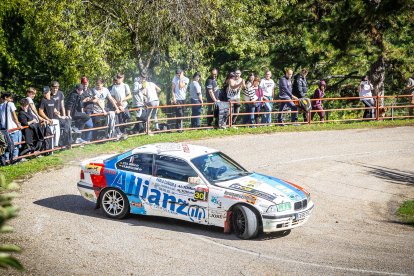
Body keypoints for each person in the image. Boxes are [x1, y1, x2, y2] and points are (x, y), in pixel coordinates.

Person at [0, 92, 22, 162]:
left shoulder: (0, 106)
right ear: (6, 98)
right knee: (15, 146)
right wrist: (18, 125)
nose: (12, 100)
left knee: (6, 146)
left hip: (4, 130)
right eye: (10, 98)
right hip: (13, 128)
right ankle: (14, 161)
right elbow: (14, 116)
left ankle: (6, 161)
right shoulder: (10, 104)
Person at [80, 76, 94, 141]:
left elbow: (96, 99)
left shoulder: (90, 90)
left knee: (90, 125)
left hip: (91, 110)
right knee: (88, 125)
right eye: (83, 83)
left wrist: (90, 99)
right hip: (83, 111)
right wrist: (85, 100)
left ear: (88, 82)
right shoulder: (79, 91)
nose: (85, 84)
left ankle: (87, 140)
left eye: (86, 83)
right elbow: (78, 102)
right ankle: (84, 139)